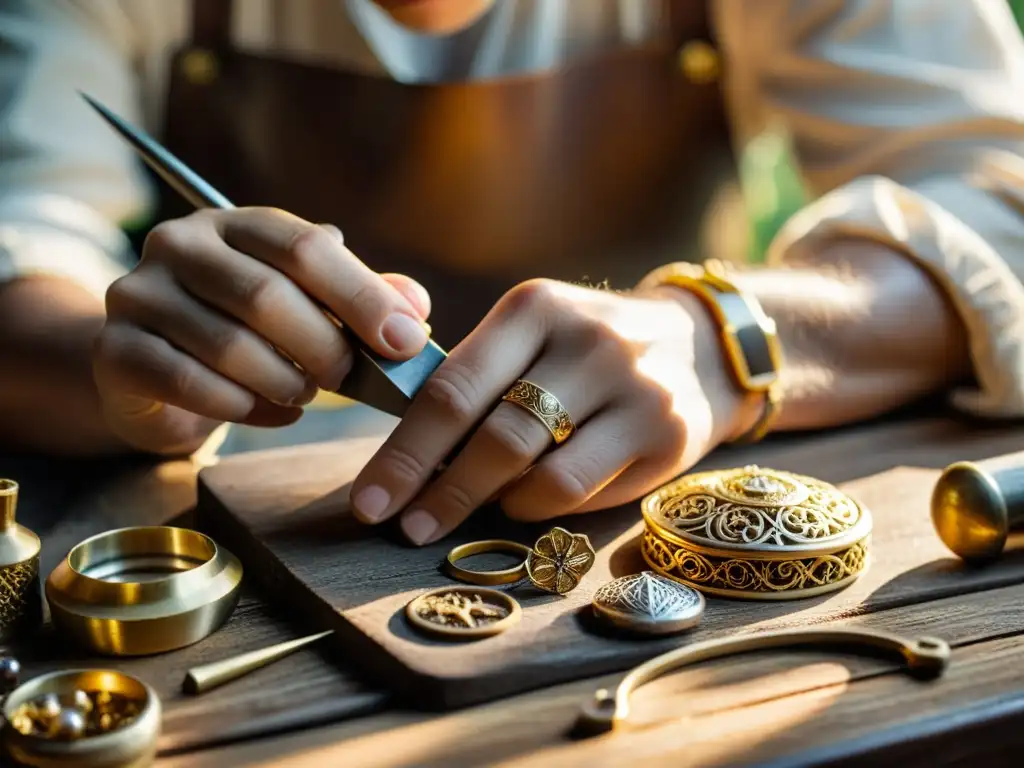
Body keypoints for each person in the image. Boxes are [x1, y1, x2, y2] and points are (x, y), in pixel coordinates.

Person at [1, 0, 1022, 547]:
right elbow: (21, 231)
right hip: (293, 521)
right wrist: (116, 366)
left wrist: (726, 337)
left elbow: (997, 190)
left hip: (654, 508)